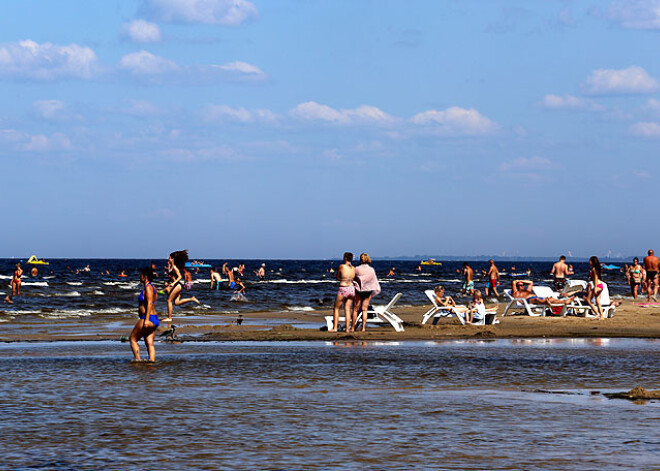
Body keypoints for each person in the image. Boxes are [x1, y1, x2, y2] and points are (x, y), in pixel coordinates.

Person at [130, 267, 159, 362]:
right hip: (154, 318)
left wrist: (146, 319)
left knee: (133, 339)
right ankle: (151, 362)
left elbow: (150, 303)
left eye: (141, 275)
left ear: (145, 277)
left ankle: (137, 360)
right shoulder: (153, 287)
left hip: (148, 318)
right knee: (149, 343)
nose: (140, 277)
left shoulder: (148, 288)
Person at [164, 250, 200, 322]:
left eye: (169, 258)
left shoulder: (174, 267)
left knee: (169, 300)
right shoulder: (172, 266)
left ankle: (169, 318)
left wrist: (173, 283)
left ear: (172, 258)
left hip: (177, 286)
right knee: (176, 302)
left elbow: (180, 277)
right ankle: (191, 299)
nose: (168, 259)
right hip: (177, 286)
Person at [351, 253, 381, 332]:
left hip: (359, 290)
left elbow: (353, 278)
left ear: (360, 260)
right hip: (368, 291)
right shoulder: (371, 270)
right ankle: (363, 328)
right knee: (364, 310)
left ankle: (352, 327)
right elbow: (373, 280)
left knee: (355, 309)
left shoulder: (357, 269)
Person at [331, 252, 356, 332]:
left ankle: (335, 328)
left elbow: (338, 276)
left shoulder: (342, 266)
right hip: (352, 288)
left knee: (336, 308)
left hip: (343, 288)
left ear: (345, 258)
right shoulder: (354, 268)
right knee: (347, 309)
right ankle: (347, 329)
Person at [585, 255, 605, 320]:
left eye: (590, 261)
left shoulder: (594, 269)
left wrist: (595, 287)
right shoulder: (595, 268)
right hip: (600, 285)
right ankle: (601, 315)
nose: (589, 262)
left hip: (597, 285)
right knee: (597, 301)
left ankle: (597, 313)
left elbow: (596, 278)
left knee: (588, 300)